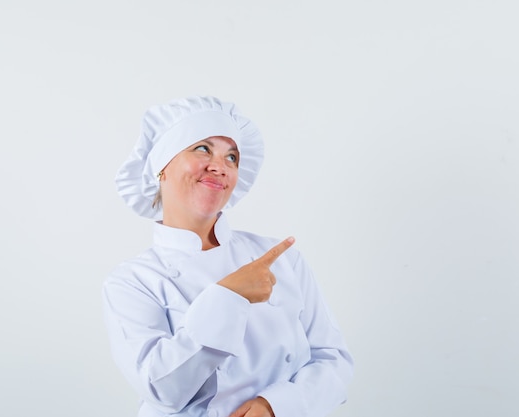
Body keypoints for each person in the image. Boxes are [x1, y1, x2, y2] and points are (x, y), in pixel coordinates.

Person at [102, 96, 353, 417]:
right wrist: (228, 296)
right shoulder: (132, 281)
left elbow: (333, 358)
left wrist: (276, 406)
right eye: (203, 149)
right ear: (160, 168)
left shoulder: (279, 258)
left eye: (232, 157)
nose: (219, 166)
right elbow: (161, 389)